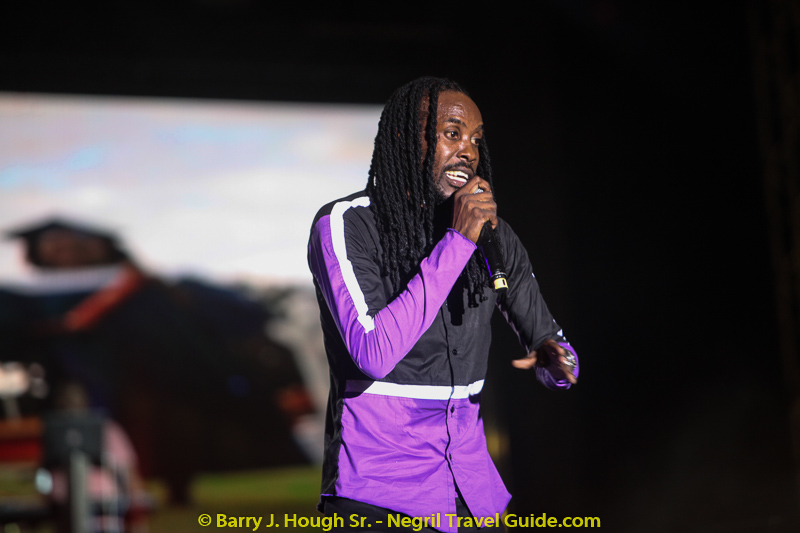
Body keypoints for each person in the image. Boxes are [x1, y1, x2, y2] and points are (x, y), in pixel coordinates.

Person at [307, 77, 579, 532]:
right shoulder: (346, 225)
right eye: (452, 134)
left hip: (474, 499)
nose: (468, 151)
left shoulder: (494, 236)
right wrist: (457, 242)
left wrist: (559, 363)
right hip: (378, 499)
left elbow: (554, 345)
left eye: (475, 139)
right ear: (404, 138)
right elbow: (373, 353)